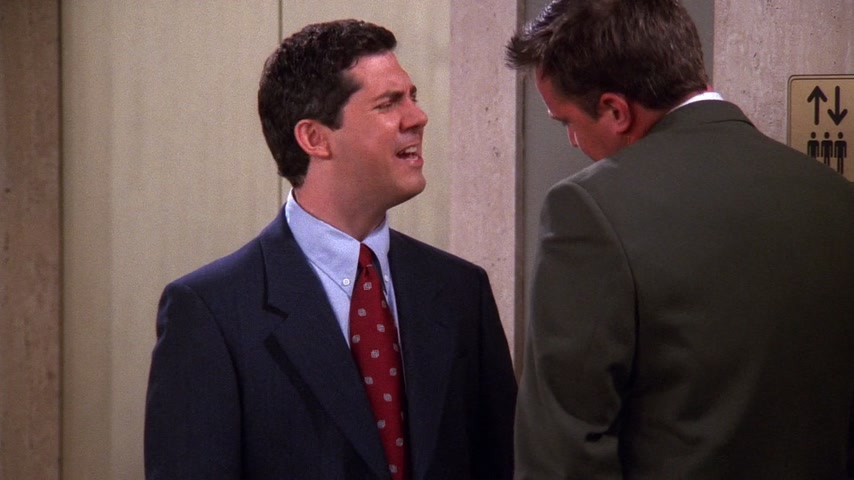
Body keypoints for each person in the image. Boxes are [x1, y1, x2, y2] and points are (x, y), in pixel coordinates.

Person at [144, 19, 516, 480]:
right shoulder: (211, 312)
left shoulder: (461, 291)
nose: (418, 117)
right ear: (315, 139)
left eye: (412, 97)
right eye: (388, 104)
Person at [505, 1, 854, 479]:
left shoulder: (588, 209)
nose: (572, 141)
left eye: (565, 121)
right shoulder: (837, 200)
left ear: (615, 110)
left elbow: (563, 453)